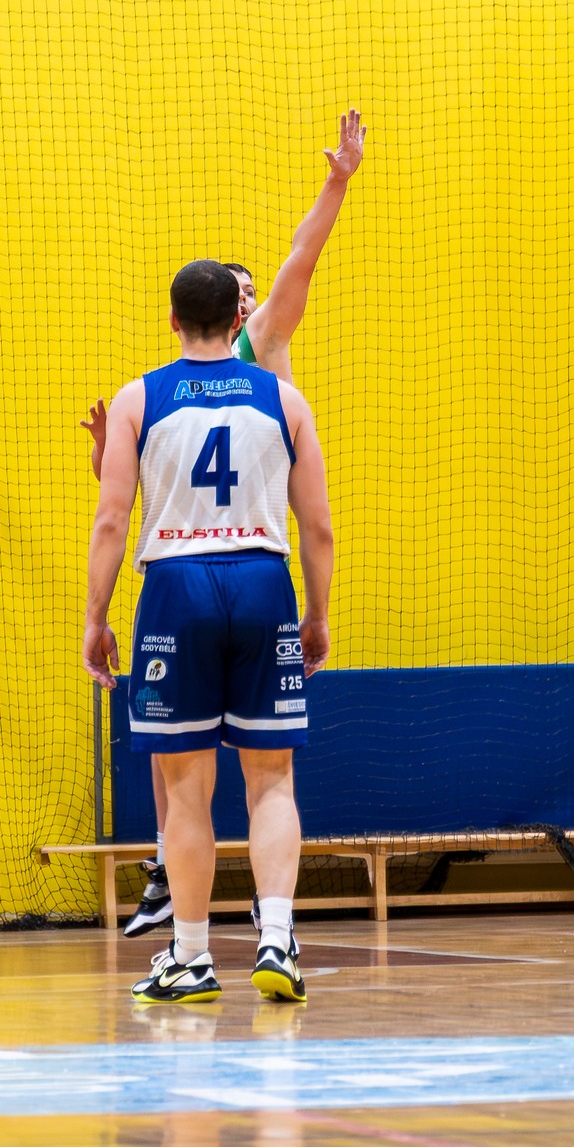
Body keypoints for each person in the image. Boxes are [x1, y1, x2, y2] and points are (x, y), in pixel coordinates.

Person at [82, 109, 362, 938]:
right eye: (238, 288)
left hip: (189, 575)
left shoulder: (256, 346)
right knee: (222, 773)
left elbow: (302, 257)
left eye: (252, 289)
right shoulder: (227, 392)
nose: (250, 296)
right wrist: (105, 455)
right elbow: (148, 493)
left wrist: (336, 184)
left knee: (196, 773)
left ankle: (189, 923)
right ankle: (188, 889)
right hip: (255, 572)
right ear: (221, 308)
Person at [84, 260, 334, 1004]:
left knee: (186, 789)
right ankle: (277, 939)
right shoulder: (283, 398)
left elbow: (111, 519)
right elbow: (317, 526)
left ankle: (191, 956)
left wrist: (95, 617)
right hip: (262, 582)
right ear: (237, 320)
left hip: (176, 587)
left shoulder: (139, 398)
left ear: (173, 320)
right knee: (273, 779)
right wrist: (316, 614)